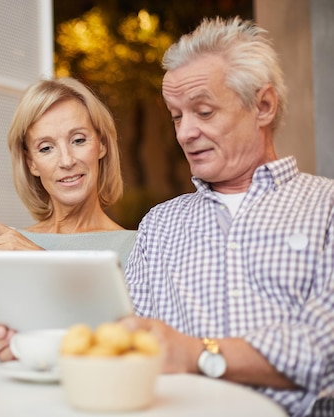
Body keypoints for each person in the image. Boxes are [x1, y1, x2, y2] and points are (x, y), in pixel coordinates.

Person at [120, 16, 333, 417]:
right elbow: (129, 345)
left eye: (203, 111)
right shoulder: (159, 225)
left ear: (263, 105)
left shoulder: (326, 207)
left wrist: (197, 354)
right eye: (177, 116)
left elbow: (326, 351)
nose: (184, 133)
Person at [0, 77, 137, 359]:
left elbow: (128, 351)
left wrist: (42, 263)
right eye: (46, 148)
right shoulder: (3, 246)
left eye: (78, 140)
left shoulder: (138, 247)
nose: (67, 160)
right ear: (31, 162)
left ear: (102, 145)